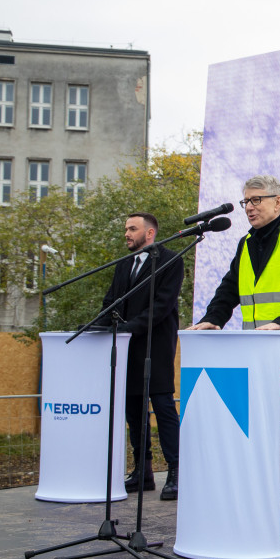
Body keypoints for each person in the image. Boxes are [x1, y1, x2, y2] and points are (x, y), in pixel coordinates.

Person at [187, 175, 280, 551]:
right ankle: (261, 513)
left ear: (278, 202)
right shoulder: (246, 243)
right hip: (257, 358)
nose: (248, 206)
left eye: (256, 200)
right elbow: (229, 287)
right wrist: (213, 317)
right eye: (245, 200)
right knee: (263, 443)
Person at [100, 212, 184, 501]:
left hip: (156, 346)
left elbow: (162, 306)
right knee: (134, 409)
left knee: (162, 406)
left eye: (132, 229)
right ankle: (143, 472)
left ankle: (175, 472)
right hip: (127, 347)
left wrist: (127, 328)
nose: (127, 233)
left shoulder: (172, 259)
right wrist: (97, 326)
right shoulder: (123, 264)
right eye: (125, 228)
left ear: (150, 233)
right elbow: (111, 300)